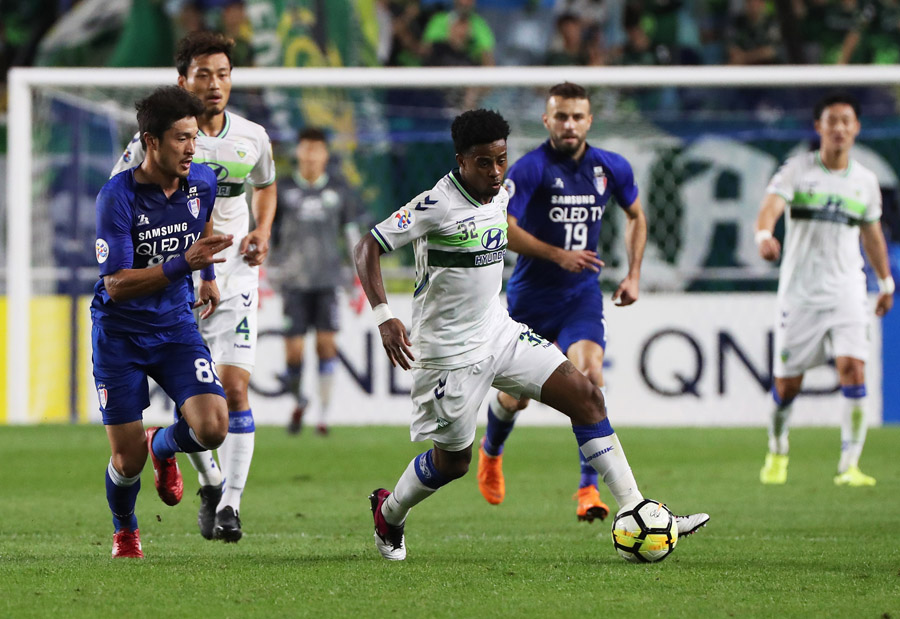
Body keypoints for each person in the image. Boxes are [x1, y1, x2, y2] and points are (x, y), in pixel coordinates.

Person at [354, 108, 708, 561]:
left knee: (587, 396)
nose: (496, 171)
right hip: (448, 355)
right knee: (453, 463)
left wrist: (557, 254)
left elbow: (506, 230)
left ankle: (635, 508)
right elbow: (368, 245)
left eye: (501, 159)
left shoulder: (500, 195)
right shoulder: (435, 205)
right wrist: (385, 315)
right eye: (484, 162)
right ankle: (391, 511)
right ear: (461, 160)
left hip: (499, 332)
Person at [112, 31, 277, 542]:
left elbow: (266, 186)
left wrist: (262, 231)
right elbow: (121, 194)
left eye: (223, 74)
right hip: (180, 279)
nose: (214, 84)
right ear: (182, 80)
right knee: (194, 404)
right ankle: (199, 472)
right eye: (203, 74)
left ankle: (229, 506)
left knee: (235, 389)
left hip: (236, 276)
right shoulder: (161, 141)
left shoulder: (252, 137)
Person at [474, 82, 647, 525]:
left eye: (577, 116)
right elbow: (505, 227)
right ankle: (491, 452)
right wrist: (558, 255)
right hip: (531, 298)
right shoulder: (529, 169)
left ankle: (589, 489)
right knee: (514, 399)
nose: (569, 124)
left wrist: (633, 274)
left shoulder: (611, 167)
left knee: (590, 377)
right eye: (561, 116)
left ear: (589, 120)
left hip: (580, 298)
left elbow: (636, 216)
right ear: (547, 120)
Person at [94, 86, 234, 558]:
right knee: (125, 460)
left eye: (194, 138)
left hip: (175, 325)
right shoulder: (117, 197)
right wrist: (184, 266)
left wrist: (208, 275)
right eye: (180, 139)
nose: (191, 149)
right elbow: (115, 283)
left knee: (214, 426)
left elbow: (204, 226)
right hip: (120, 334)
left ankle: (164, 446)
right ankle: (126, 530)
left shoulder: (202, 183)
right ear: (150, 141)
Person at [755, 91, 894, 487]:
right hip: (800, 293)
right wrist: (764, 234)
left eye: (846, 121)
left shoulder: (865, 182)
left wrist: (885, 281)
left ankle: (849, 464)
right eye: (831, 121)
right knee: (788, 384)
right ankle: (778, 448)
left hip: (848, 290)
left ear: (856, 129)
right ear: (818, 127)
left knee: (854, 369)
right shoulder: (797, 170)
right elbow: (770, 205)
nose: (839, 128)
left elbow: (872, 235)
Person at [271, 127, 362, 436]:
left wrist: (357, 280)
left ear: (325, 154)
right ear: (299, 152)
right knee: (293, 353)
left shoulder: (339, 189)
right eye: (306, 149)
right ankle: (300, 400)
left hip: (327, 282)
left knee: (326, 346)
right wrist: (266, 273)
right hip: (293, 283)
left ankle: (324, 416)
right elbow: (269, 234)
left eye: (316, 149)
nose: (311, 155)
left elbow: (350, 235)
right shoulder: (282, 188)